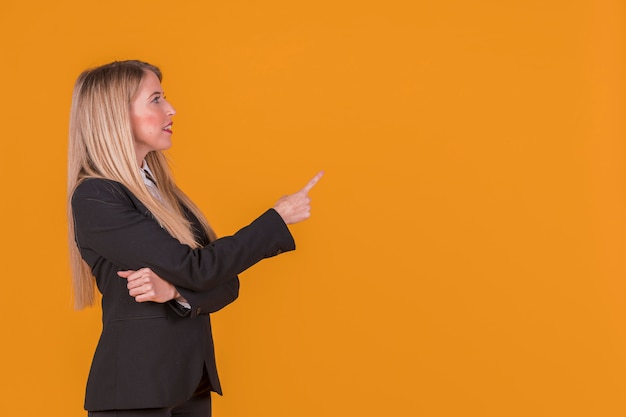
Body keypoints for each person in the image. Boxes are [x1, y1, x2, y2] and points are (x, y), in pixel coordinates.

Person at [67, 60, 322, 417]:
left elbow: (224, 281)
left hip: (190, 383)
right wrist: (276, 220)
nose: (171, 109)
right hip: (136, 391)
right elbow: (199, 269)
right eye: (155, 99)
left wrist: (175, 291)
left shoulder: (164, 194)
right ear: (116, 114)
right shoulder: (97, 197)